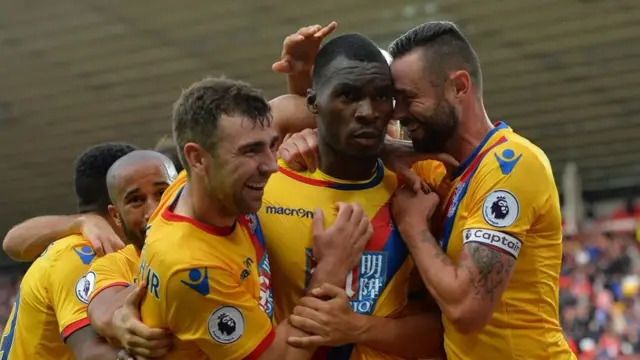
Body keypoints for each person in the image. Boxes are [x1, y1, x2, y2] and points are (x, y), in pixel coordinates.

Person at [278, 20, 574, 360]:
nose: (396, 113)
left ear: (458, 87)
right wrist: (303, 82)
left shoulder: (513, 166)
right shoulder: (431, 167)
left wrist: (414, 227)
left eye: (407, 98)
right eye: (394, 99)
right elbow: (340, 123)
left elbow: (466, 310)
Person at [136, 77, 371, 360]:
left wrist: (387, 147)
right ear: (197, 158)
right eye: (250, 151)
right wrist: (332, 268)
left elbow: (290, 108)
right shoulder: (191, 268)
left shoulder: (188, 187)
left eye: (271, 145)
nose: (272, 165)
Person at [259, 33, 444, 359]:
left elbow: (444, 332)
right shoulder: (261, 187)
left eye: (381, 97)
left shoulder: (415, 192)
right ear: (313, 103)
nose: (368, 112)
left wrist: (357, 326)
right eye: (348, 96)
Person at [0, 143, 137, 360]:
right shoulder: (84, 253)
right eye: (138, 197)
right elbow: (92, 354)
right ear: (117, 204)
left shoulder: (117, 250)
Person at [86, 150, 176, 358]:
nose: (153, 210)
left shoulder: (219, 237)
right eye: (136, 200)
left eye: (162, 193)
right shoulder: (112, 264)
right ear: (116, 216)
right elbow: (104, 315)